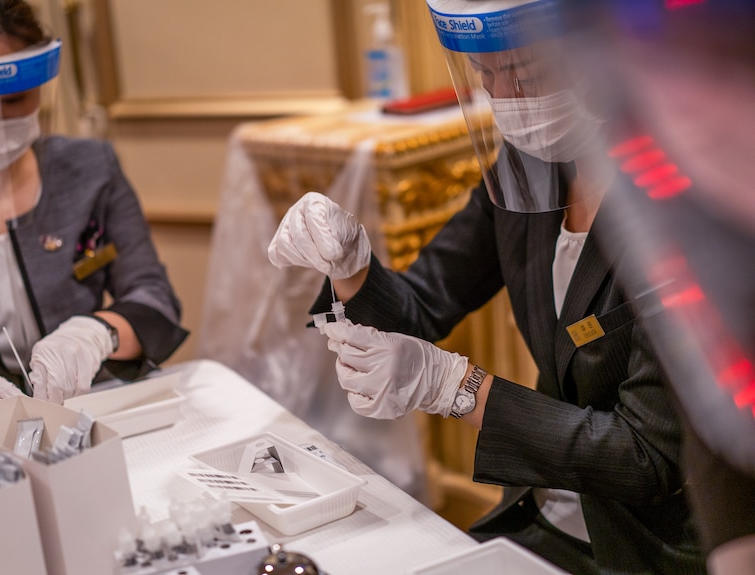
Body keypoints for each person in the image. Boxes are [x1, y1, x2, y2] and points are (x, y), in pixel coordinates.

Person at [268, 0, 705, 573]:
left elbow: (647, 459)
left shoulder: (689, 203)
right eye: (486, 74)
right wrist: (350, 266)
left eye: (528, 73)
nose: (506, 98)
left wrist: (458, 386)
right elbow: (423, 305)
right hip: (544, 513)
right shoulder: (534, 165)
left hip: (652, 545)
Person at [0, 0, 188, 427]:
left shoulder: (90, 171)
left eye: (13, 99)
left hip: (89, 419)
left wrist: (96, 335)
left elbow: (153, 299)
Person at [555, 1, 755, 573]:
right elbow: (722, 431)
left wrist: (462, 390)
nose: (690, 104)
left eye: (722, 57)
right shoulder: (692, 234)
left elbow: (646, 453)